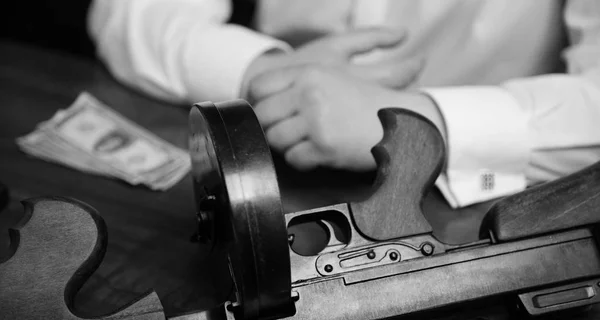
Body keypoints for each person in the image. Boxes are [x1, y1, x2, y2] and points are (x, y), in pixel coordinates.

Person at [87, 0, 600, 208]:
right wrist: (266, 73)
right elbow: (131, 12)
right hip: (263, 169)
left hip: (472, 206)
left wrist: (419, 122)